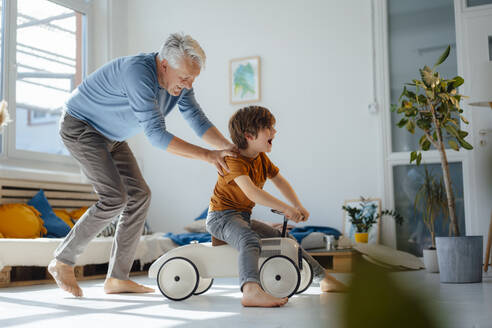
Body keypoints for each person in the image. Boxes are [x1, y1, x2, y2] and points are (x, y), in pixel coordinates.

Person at [48, 33, 237, 297]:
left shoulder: (179, 82)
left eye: (193, 79)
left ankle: (117, 278)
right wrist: (207, 156)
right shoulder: (138, 73)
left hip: (112, 136)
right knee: (114, 197)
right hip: (81, 126)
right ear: (164, 65)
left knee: (140, 195)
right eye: (184, 78)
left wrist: (227, 148)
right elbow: (157, 136)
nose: (188, 85)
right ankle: (62, 261)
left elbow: (195, 117)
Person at [206, 105, 346, 308]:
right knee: (249, 240)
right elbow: (253, 192)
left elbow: (280, 181)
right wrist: (286, 209)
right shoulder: (232, 160)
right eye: (268, 128)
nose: (274, 131)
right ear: (249, 135)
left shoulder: (261, 158)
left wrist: (297, 205)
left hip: (241, 216)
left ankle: (324, 279)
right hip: (221, 217)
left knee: (285, 239)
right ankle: (250, 291)